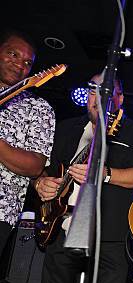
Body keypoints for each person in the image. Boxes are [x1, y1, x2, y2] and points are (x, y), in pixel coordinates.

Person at [34, 73, 133, 283]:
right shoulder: (65, 128)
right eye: (92, 90)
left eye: (107, 91)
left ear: (120, 99)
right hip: (61, 228)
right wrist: (41, 184)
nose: (98, 97)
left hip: (108, 236)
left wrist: (105, 173)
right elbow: (46, 169)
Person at [0, 29, 55, 255]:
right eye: (12, 54)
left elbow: (35, 166)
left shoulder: (39, 109)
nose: (19, 64)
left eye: (27, 62)